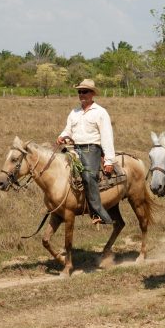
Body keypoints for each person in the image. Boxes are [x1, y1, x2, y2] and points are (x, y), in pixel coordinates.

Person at [57, 79, 115, 224]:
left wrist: (109, 160)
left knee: (89, 177)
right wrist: (63, 135)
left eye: (85, 91)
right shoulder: (74, 112)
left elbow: (107, 137)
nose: (82, 94)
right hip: (75, 148)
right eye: (80, 91)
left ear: (93, 93)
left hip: (92, 149)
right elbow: (68, 129)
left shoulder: (101, 112)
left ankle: (100, 214)